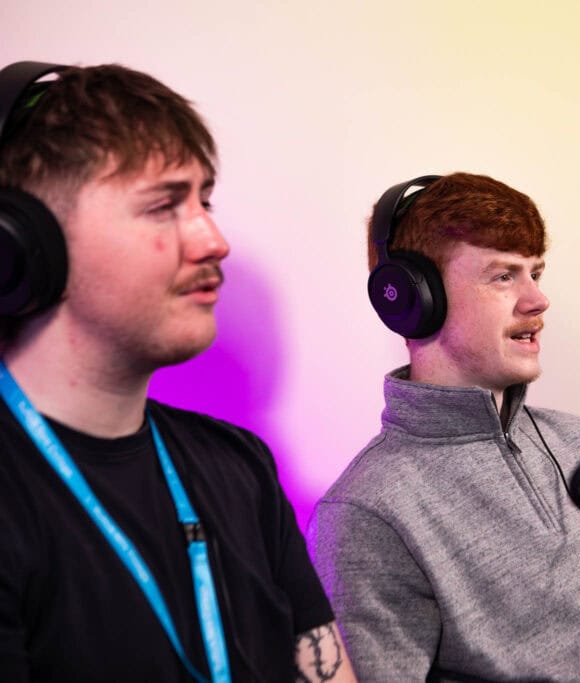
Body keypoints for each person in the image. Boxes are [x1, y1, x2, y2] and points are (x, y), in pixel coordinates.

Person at [0, 61, 356, 682]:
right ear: (25, 242)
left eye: (204, 201)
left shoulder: (240, 468)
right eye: (164, 205)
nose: (213, 238)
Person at [312, 173, 580, 681]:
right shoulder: (369, 511)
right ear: (414, 299)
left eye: (536, 273)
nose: (537, 300)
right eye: (504, 276)